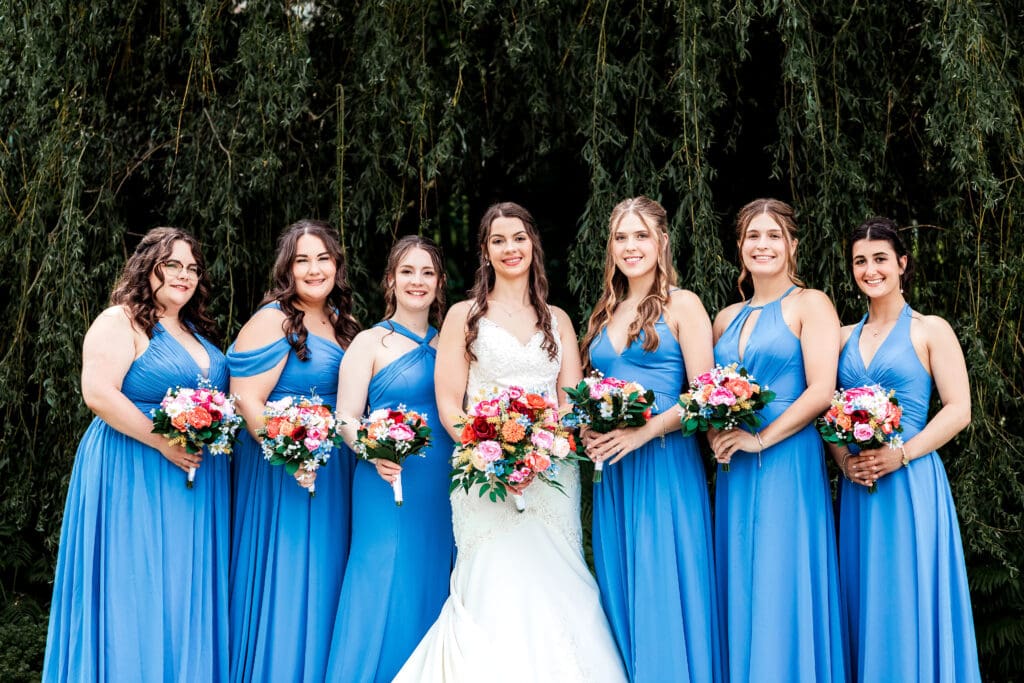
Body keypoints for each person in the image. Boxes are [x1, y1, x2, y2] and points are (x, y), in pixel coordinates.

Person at [394, 202, 627, 682]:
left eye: (518, 238)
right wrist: (491, 452)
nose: (510, 248)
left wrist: (541, 449)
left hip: (551, 475)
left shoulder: (557, 319)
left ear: (532, 245)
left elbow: (568, 402)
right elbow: (449, 405)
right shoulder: (465, 315)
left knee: (557, 579)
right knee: (492, 581)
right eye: (498, 240)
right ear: (485, 251)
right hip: (483, 478)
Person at [43, 227, 230, 681]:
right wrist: (161, 441)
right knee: (136, 584)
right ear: (148, 267)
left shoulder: (193, 330)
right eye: (173, 265)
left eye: (192, 267)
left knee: (182, 588)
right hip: (132, 468)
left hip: (193, 480)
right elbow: (98, 394)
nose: (184, 275)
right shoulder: (120, 320)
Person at [832, 217, 981, 681]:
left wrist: (902, 454)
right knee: (864, 595)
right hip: (859, 487)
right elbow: (826, 411)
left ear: (901, 263)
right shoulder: (839, 338)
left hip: (911, 482)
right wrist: (844, 462)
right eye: (860, 261)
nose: (870, 270)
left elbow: (959, 410)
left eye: (880, 259)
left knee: (909, 592)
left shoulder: (931, 329)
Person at [581, 196, 721, 682]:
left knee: (662, 582)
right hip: (614, 471)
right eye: (621, 237)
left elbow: (707, 398)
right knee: (622, 584)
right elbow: (590, 387)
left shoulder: (683, 305)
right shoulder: (605, 310)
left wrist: (647, 431)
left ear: (662, 242)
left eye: (641, 235)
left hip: (664, 463)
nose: (630, 246)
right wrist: (586, 423)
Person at [710, 198, 846, 682]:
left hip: (786, 460)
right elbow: (710, 393)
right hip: (737, 467)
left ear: (792, 245)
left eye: (773, 236)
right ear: (740, 246)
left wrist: (761, 440)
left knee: (780, 577)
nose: (761, 245)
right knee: (744, 581)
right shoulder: (725, 318)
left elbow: (821, 390)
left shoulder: (812, 303)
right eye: (752, 236)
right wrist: (714, 431)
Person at [227, 219, 359, 683]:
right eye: (303, 260)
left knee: (325, 580)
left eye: (323, 258)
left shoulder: (341, 321)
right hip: (287, 472)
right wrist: (293, 453)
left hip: (333, 469)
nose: (314, 268)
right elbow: (246, 400)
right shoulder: (274, 320)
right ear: (288, 268)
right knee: (290, 579)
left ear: (336, 265)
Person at [324, 235, 456, 682]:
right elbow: (345, 417)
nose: (417, 281)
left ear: (439, 283)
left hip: (443, 482)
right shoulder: (369, 342)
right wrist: (371, 450)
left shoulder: (452, 346)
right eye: (407, 271)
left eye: (427, 272)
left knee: (433, 580)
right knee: (379, 579)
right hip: (385, 482)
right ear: (390, 280)